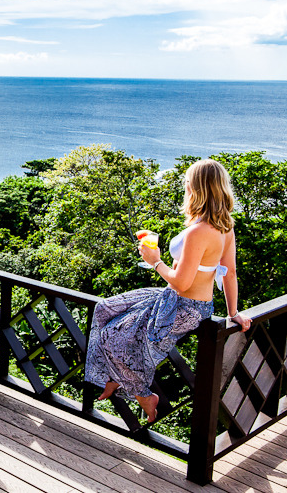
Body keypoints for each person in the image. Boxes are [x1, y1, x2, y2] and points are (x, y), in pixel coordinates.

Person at [84, 158, 251, 423]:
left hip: (185, 307)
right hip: (177, 299)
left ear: (196, 189)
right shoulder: (223, 226)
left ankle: (142, 394)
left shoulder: (200, 231)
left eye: (187, 184)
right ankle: (110, 378)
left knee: (115, 337)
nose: (184, 188)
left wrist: (155, 261)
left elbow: (181, 282)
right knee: (104, 309)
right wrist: (234, 312)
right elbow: (229, 273)